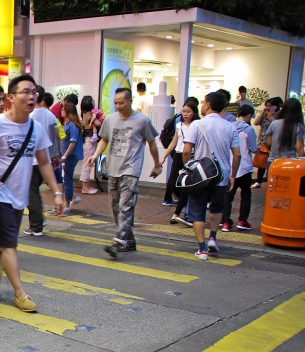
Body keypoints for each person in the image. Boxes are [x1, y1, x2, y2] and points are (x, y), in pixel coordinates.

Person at [0, 75, 65, 311]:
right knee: (9, 244)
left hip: (19, 197)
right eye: (25, 92)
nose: (31, 97)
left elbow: (44, 162)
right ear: (11, 97)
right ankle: (20, 293)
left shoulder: (36, 128)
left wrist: (57, 192)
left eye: (34, 93)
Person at [87, 88, 162, 258]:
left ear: (130, 101)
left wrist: (157, 164)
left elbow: (151, 143)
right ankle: (129, 240)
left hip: (131, 169)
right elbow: (104, 139)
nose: (118, 106)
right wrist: (95, 155)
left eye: (121, 102)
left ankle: (118, 241)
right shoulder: (110, 119)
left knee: (125, 206)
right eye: (115, 103)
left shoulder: (142, 121)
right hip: (113, 168)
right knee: (115, 206)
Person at [182, 91, 241, 260]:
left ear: (207, 104)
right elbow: (237, 154)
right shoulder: (230, 127)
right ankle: (213, 238)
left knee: (197, 210)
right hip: (221, 174)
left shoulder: (196, 125)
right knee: (217, 207)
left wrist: (188, 167)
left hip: (201, 175)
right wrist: (233, 175)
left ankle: (202, 249)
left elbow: (186, 150)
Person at [160, 98, 200, 227]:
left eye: (188, 111)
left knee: (185, 187)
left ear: (194, 112)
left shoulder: (197, 126)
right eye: (183, 111)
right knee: (173, 184)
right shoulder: (179, 126)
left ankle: (176, 214)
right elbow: (174, 142)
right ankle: (184, 206)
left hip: (190, 157)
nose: (185, 114)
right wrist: (164, 157)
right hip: (178, 156)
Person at [27, 88, 61, 236]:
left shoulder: (30, 116)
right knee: (34, 192)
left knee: (31, 193)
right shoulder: (50, 115)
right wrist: (56, 155)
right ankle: (38, 219)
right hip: (46, 158)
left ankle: (36, 225)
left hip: (32, 161)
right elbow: (56, 136)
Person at [221, 104, 258, 232]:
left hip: (230, 166)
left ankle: (226, 222)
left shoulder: (229, 127)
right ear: (248, 116)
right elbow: (253, 148)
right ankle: (242, 220)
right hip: (245, 168)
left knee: (228, 196)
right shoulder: (249, 130)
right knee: (246, 195)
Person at [252, 96, 283, 188]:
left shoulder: (279, 115)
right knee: (261, 162)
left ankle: (272, 181)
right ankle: (259, 181)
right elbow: (256, 122)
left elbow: (278, 126)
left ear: (276, 106)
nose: (267, 107)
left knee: (273, 163)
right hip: (263, 141)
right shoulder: (264, 115)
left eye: (269, 105)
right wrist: (263, 112)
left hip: (275, 142)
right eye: (266, 105)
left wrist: (273, 116)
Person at [59, 102, 84, 213]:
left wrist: (65, 155)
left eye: (63, 109)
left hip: (70, 156)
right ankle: (69, 199)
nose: (62, 111)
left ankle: (67, 203)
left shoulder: (72, 125)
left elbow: (73, 142)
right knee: (65, 179)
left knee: (67, 179)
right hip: (66, 156)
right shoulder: (67, 124)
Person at [265, 97, 305, 164]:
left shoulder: (274, 123)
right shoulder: (299, 126)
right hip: (289, 163)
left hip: (273, 162)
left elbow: (269, 142)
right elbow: (299, 147)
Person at [79, 96, 104, 194]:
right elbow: (98, 124)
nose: (94, 102)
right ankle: (85, 187)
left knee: (88, 163)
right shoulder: (90, 114)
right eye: (93, 101)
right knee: (87, 163)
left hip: (87, 140)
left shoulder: (84, 113)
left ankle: (87, 186)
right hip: (89, 141)